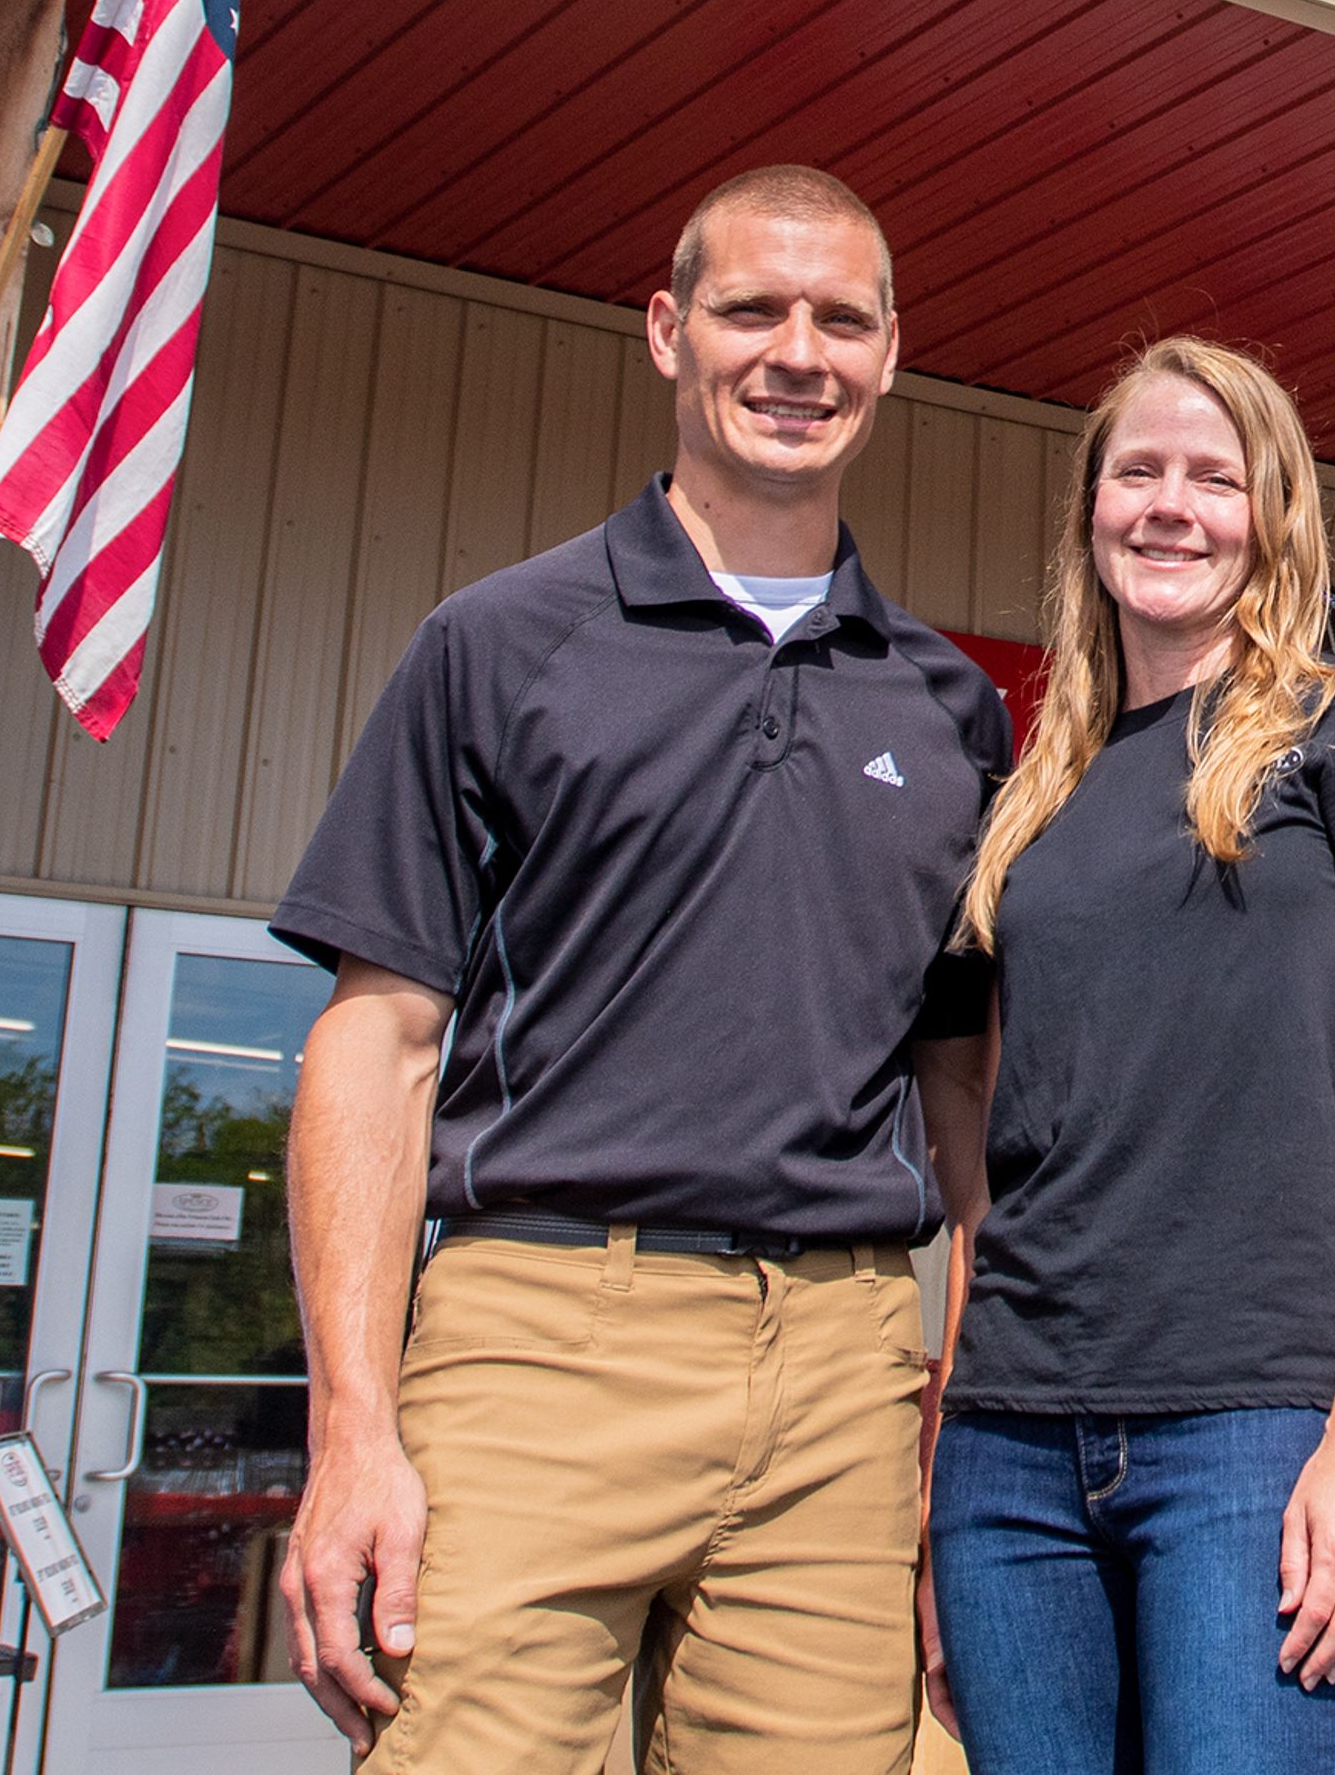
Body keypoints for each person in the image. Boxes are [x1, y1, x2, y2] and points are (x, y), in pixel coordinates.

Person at [268, 164, 1006, 1773]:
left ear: (892, 356)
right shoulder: (500, 642)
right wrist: (351, 1431)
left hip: (844, 1370)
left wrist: (976, 1395)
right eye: (751, 309)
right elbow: (377, 1044)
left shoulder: (952, 711)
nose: (796, 352)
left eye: (840, 318)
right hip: (540, 1333)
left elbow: (961, 1085)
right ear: (668, 331)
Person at [920, 337, 1335, 1774]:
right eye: (1138, 472)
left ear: (1274, 512)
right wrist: (940, 1476)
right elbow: (984, 1142)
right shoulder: (1029, 798)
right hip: (1010, 1458)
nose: (1171, 507)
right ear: (1091, 509)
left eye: (1213, 477)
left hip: (1254, 1446)